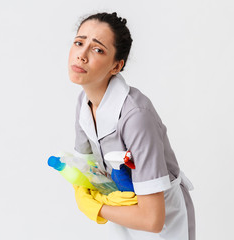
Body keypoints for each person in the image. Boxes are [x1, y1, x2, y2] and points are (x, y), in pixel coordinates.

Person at [68, 12, 195, 240]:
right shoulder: (83, 103)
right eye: (79, 42)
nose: (81, 55)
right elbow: (84, 168)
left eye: (97, 49)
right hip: (122, 211)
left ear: (116, 66)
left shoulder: (136, 115)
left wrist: (96, 208)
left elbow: (152, 220)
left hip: (164, 223)